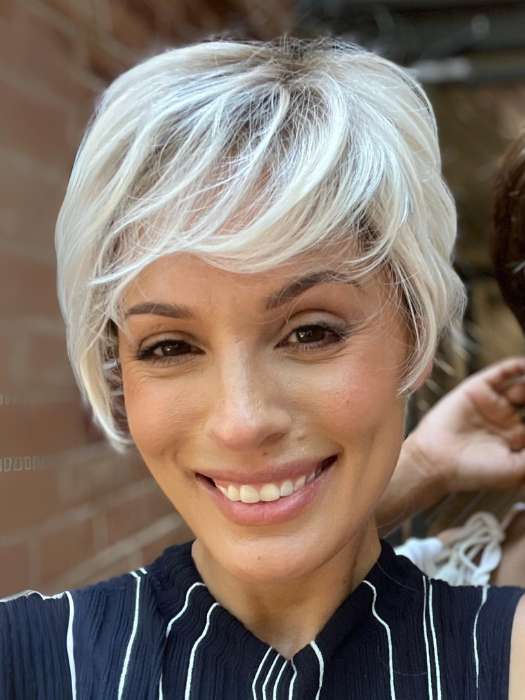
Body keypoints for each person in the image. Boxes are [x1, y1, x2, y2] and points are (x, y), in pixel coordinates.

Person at [1, 37, 525, 699]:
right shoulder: (23, 661)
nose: (242, 422)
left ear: (415, 333)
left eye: (310, 333)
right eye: (170, 347)